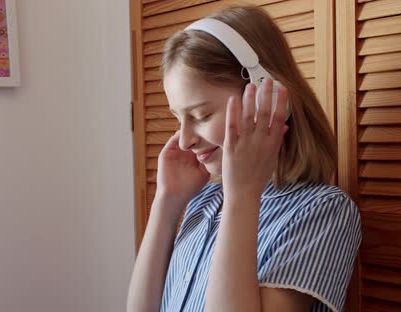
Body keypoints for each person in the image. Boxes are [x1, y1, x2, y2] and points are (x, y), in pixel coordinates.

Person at [127, 5, 361, 312]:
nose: (184, 140)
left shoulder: (322, 211)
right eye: (178, 118)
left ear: (267, 96)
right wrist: (166, 202)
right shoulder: (205, 201)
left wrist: (243, 194)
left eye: (201, 114)